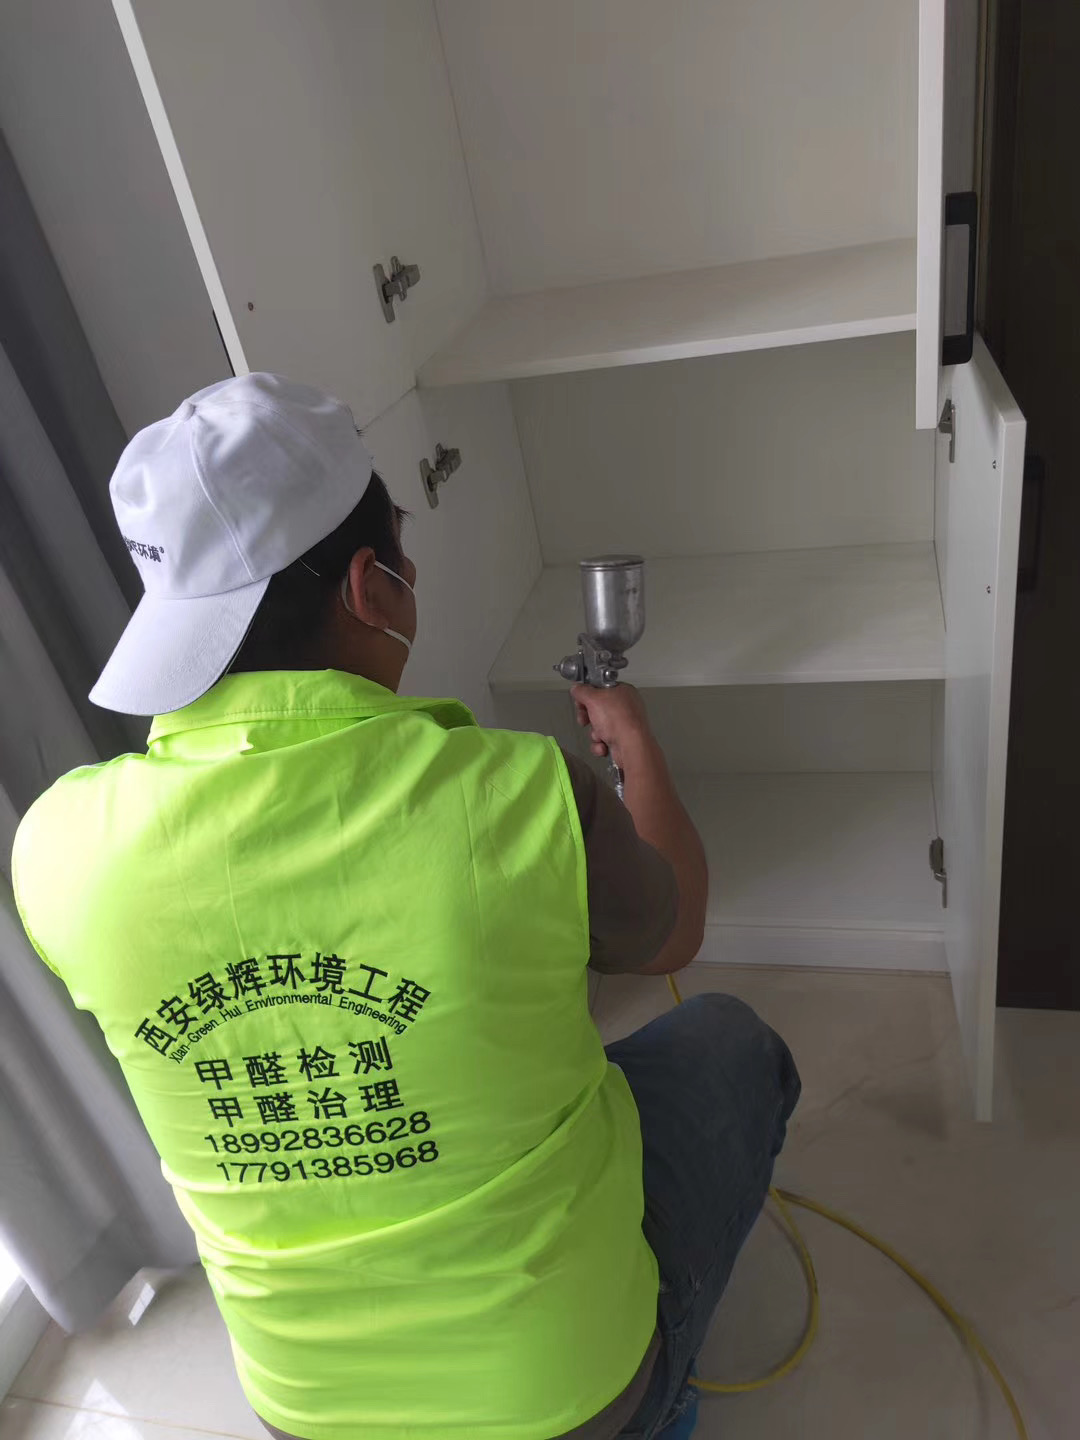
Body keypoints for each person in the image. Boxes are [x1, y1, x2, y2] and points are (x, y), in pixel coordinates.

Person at [12, 374, 799, 1440]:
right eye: (403, 551)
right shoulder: (521, 792)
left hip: (305, 1410)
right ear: (369, 588)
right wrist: (637, 744)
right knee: (729, 1044)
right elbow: (678, 927)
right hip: (567, 1400)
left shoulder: (59, 848)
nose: (413, 573)